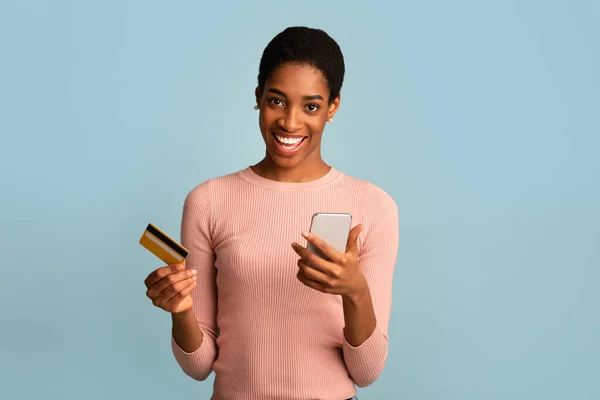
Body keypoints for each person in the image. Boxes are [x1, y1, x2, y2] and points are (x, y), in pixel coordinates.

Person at [143, 26, 399, 400]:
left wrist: (354, 291)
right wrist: (181, 311)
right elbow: (198, 366)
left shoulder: (374, 206)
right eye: (277, 101)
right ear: (258, 96)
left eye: (311, 106)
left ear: (333, 107)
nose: (290, 123)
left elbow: (367, 370)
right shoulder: (208, 201)